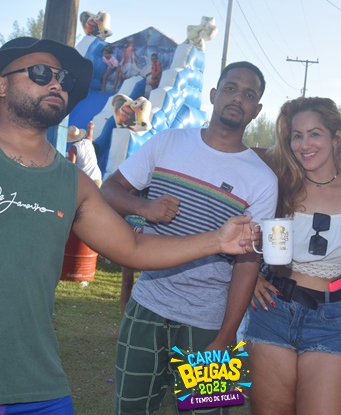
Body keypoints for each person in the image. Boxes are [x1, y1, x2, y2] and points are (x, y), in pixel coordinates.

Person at [0, 37, 257, 414]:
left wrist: (217, 241)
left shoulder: (73, 183)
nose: (57, 83)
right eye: (41, 73)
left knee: (206, 408)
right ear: (0, 85)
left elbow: (133, 248)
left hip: (35, 387)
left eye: (64, 79)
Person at [102, 61, 278, 414]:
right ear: (213, 94)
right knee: (130, 409)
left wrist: (226, 337)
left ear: (257, 110)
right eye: (230, 88)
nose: (237, 98)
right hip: (147, 306)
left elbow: (247, 264)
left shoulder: (263, 180)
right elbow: (109, 190)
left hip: (209, 322)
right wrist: (145, 207)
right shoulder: (168, 141)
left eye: (248, 95)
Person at [245, 97, 341, 415]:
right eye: (297, 135)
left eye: (315, 134)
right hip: (274, 309)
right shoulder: (279, 185)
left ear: (336, 136)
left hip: (334, 316)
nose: (304, 145)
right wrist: (251, 276)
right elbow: (237, 228)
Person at [66, 121, 102, 187]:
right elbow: (89, 134)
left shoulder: (73, 148)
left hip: (86, 181)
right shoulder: (88, 141)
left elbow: (72, 167)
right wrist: (90, 127)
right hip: (97, 178)